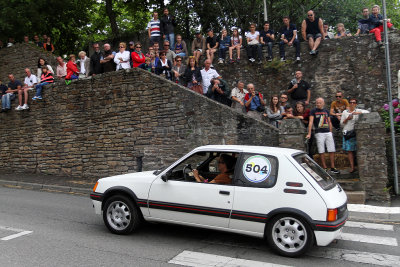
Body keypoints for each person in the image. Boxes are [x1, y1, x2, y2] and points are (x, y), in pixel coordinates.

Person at [306, 97, 340, 174]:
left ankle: (332, 167)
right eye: (317, 102)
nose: (318, 104)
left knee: (331, 149)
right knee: (321, 150)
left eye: (320, 102)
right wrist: (309, 133)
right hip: (319, 132)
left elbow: (329, 122)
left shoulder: (326, 111)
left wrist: (330, 131)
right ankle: (324, 167)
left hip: (327, 132)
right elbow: (311, 122)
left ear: (323, 103)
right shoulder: (313, 111)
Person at [340, 98, 370, 173]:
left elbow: (368, 112)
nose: (352, 104)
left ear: (356, 104)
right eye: (351, 102)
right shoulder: (345, 112)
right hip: (348, 132)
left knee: (357, 149)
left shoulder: (357, 111)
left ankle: (358, 166)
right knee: (350, 151)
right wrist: (347, 118)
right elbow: (341, 124)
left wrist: (357, 113)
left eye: (354, 103)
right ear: (349, 103)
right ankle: (352, 167)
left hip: (355, 132)